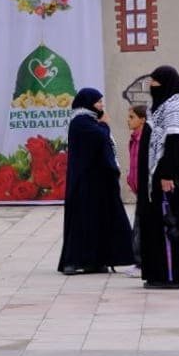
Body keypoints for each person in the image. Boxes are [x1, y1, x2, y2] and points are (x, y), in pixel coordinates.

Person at [137, 66, 179, 289]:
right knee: (160, 225)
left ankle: (173, 275)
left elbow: (177, 146)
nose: (151, 85)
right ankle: (163, 273)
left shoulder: (173, 108)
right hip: (156, 180)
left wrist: (166, 175)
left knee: (171, 226)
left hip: (168, 183)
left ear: (166, 83)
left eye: (155, 81)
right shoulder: (158, 108)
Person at [57, 88, 134, 275]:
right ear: (87, 103)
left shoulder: (90, 121)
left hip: (96, 182)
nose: (101, 106)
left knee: (98, 221)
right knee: (82, 221)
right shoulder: (80, 121)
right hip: (85, 183)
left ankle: (97, 260)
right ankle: (74, 261)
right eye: (98, 102)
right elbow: (100, 138)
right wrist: (105, 126)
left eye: (101, 102)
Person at [122, 105, 150, 278]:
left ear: (142, 120)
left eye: (132, 117)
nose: (128, 120)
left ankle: (141, 263)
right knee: (138, 226)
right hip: (138, 190)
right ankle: (139, 261)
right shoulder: (133, 138)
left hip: (145, 190)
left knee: (141, 227)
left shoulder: (145, 139)